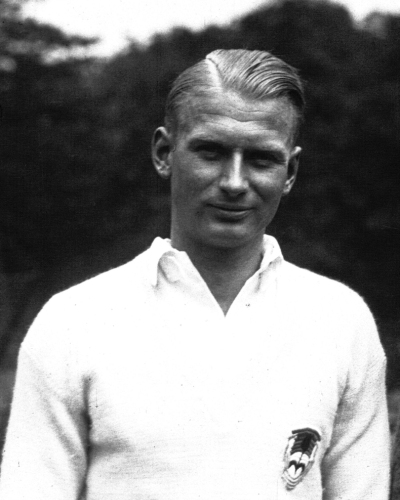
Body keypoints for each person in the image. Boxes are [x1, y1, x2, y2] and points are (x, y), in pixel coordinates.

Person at [0, 49, 390, 499]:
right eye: (211, 151)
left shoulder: (341, 321)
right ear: (164, 153)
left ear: (290, 172)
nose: (234, 182)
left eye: (261, 159)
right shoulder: (73, 322)